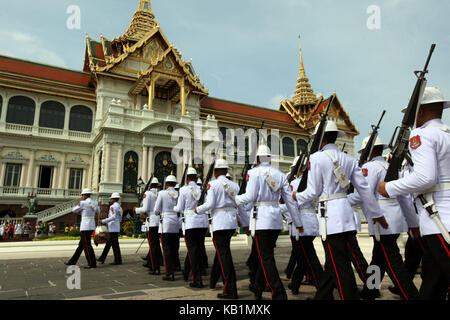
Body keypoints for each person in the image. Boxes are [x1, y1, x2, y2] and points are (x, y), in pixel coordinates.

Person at [293, 120, 388, 300]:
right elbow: (365, 190)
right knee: (334, 263)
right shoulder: (349, 159)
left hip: (330, 217)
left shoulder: (316, 158)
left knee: (341, 268)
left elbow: (313, 191)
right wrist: (377, 214)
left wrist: (297, 196)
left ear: (319, 138)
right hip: (345, 213)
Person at [378, 86, 450, 300]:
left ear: (419, 112)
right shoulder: (446, 133)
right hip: (441, 217)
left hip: (438, 218)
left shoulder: (421, 135)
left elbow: (425, 178)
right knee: (432, 281)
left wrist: (388, 188)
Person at [349, 136, 420, 300]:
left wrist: (340, 200)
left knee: (393, 262)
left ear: (371, 150)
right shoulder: (389, 166)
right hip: (395, 218)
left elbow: (363, 194)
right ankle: (371, 290)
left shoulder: (370, 167)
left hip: (382, 220)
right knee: (378, 259)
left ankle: (411, 295)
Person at [235, 145, 303, 300]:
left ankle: (279, 293)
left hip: (261, 220)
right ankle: (257, 288)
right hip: (275, 220)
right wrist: (298, 222)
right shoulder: (279, 175)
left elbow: (250, 196)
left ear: (257, 159)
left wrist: (236, 199)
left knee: (266, 258)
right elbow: (290, 202)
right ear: (270, 158)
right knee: (263, 255)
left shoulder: (253, 173)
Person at [195, 159, 249, 300]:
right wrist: (246, 224)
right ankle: (216, 281)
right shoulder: (234, 186)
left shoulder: (212, 184)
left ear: (216, 171)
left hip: (219, 223)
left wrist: (197, 209)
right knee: (223, 253)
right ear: (226, 170)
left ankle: (231, 289)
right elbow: (240, 207)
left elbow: (210, 204)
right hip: (231, 223)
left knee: (224, 256)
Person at [283, 159, 324, 296]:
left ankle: (322, 286)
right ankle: (295, 284)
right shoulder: (314, 182)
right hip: (312, 221)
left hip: (301, 223)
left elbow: (292, 205)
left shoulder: (294, 183)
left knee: (309, 257)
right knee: (303, 256)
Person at [174, 167, 208, 288]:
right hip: (203, 222)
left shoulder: (183, 190)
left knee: (193, 251)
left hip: (191, 223)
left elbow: (178, 208)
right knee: (197, 249)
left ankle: (197, 280)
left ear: (187, 178)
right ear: (196, 178)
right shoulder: (202, 189)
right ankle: (186, 272)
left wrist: (170, 209)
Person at [65, 188, 100, 269]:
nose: (82, 197)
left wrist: (79, 205)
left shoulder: (83, 203)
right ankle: (72, 261)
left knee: (87, 245)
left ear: (85, 195)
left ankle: (92, 263)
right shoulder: (95, 202)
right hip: (91, 225)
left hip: (85, 226)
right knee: (81, 245)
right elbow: (98, 211)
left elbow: (74, 210)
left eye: (82, 195)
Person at [154, 175, 179, 281]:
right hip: (176, 223)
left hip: (166, 223)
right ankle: (174, 267)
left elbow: (156, 210)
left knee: (166, 249)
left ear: (167, 183)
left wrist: (159, 212)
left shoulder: (162, 193)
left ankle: (169, 272)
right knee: (174, 248)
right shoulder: (178, 194)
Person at [135, 177, 162, 274]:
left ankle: (155, 267)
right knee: (156, 244)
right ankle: (154, 263)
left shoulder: (148, 194)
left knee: (153, 245)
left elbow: (145, 208)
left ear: (150, 185)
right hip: (159, 220)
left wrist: (136, 210)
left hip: (152, 221)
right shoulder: (159, 193)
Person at [98, 193, 123, 265]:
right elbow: (120, 219)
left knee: (114, 245)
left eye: (112, 198)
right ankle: (102, 258)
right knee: (110, 244)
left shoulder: (112, 207)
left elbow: (112, 217)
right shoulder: (120, 207)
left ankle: (117, 260)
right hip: (116, 226)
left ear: (115, 199)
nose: (111, 200)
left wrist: (103, 221)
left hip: (112, 227)